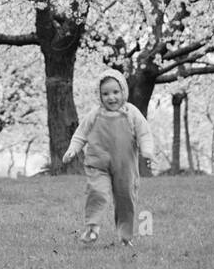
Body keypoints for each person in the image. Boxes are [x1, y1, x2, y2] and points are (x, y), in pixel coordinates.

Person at [62, 73, 155, 245]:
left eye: (115, 92)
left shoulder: (131, 112)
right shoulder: (95, 114)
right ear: (100, 95)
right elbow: (81, 134)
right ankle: (92, 228)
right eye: (105, 94)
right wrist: (72, 149)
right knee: (97, 192)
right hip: (98, 164)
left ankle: (125, 237)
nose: (111, 97)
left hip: (125, 166)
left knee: (125, 199)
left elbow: (144, 133)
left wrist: (147, 151)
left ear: (123, 92)